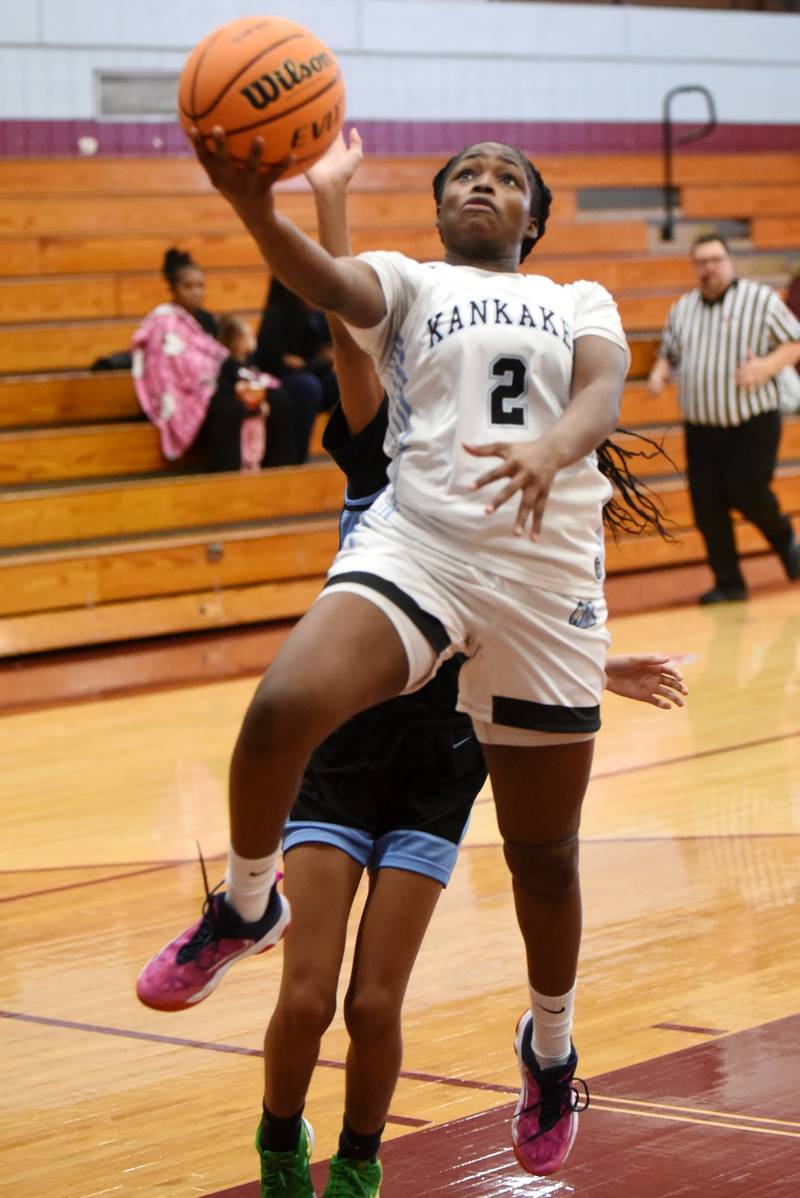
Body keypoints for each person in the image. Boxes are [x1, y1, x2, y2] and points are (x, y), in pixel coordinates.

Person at [138, 133, 687, 1197]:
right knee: (280, 706)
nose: (482, 183)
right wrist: (254, 204)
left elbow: (603, 393)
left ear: (531, 217)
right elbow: (327, 279)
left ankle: (552, 1047)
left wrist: (554, 446)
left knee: (545, 861)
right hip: (423, 545)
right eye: (461, 176)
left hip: (543, 579)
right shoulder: (407, 283)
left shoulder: (577, 297)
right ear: (437, 211)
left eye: (505, 177)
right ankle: (251, 904)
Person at [648, 233, 800, 604]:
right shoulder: (682, 308)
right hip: (701, 427)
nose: (709, 267)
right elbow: (670, 351)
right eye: (701, 261)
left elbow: (794, 342)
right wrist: (660, 371)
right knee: (707, 504)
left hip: (751, 421)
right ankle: (729, 582)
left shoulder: (759, 300)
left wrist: (764, 367)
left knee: (747, 491)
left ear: (730, 261)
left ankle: (787, 544)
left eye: (716, 259)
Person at [132, 250, 296, 469]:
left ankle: (281, 469)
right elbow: (168, 366)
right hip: (190, 391)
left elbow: (220, 355)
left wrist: (239, 380)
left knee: (277, 396)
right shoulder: (164, 321)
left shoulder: (207, 320)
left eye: (200, 286)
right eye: (188, 286)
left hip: (222, 380)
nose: (196, 292)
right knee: (228, 407)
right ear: (173, 288)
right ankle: (225, 476)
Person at [254, 278, 340, 462]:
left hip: (310, 376)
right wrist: (314, 362)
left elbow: (331, 355)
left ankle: (350, 453)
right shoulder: (276, 314)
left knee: (338, 382)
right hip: (277, 379)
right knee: (307, 386)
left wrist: (306, 364)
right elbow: (269, 361)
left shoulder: (319, 317)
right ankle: (296, 460)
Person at [202, 313, 296, 471]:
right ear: (234, 340)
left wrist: (261, 400)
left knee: (256, 449)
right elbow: (234, 389)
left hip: (255, 418)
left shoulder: (249, 365)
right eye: (247, 336)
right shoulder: (228, 366)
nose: (251, 341)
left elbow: (257, 383)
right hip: (243, 417)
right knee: (245, 451)